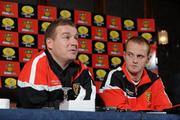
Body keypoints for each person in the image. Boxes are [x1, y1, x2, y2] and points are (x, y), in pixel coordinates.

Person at [17, 18, 96, 109]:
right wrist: (69, 105)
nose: (74, 43)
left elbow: (88, 107)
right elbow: (35, 112)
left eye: (76, 38)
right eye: (66, 37)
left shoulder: (82, 70)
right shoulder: (37, 65)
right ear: (50, 43)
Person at [99, 36, 172, 111]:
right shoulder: (114, 76)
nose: (134, 61)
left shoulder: (154, 80)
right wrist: (150, 111)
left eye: (140, 56)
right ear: (124, 56)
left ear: (147, 59)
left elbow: (165, 111)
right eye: (130, 55)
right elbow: (119, 114)